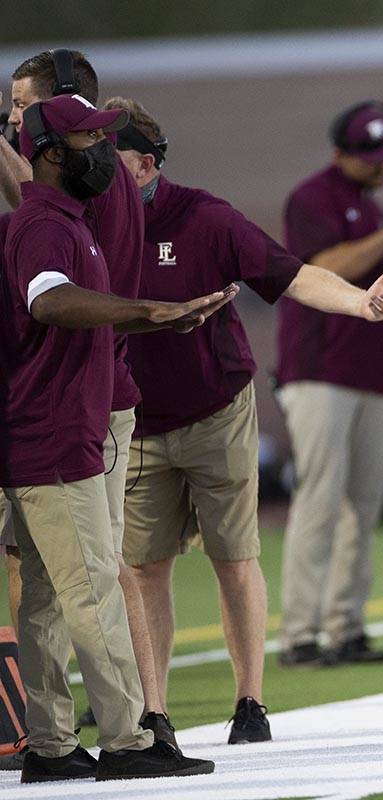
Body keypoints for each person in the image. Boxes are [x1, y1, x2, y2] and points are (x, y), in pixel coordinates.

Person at [106, 96, 383, 744]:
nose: (93, 172)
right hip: (138, 418)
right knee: (144, 567)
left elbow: (293, 274)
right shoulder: (91, 224)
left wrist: (360, 303)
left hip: (216, 408)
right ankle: (154, 711)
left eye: (105, 158)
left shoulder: (206, 218)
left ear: (141, 165)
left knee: (234, 555)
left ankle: (251, 701)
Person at [2, 93, 221, 782]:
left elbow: (81, 319)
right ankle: (128, 741)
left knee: (43, 597)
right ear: (49, 153)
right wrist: (144, 303)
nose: (102, 152)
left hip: (47, 432)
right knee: (94, 590)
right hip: (54, 437)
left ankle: (52, 744)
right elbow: (49, 299)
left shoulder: (67, 220)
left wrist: (163, 319)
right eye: (89, 141)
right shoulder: (43, 224)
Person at [275, 99, 383, 668]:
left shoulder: (366, 200)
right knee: (319, 498)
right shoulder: (313, 197)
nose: (382, 165)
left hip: (367, 372)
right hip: (318, 370)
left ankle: (346, 626)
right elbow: (322, 264)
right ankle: (302, 633)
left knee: (364, 503)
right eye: (371, 155)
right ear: (341, 154)